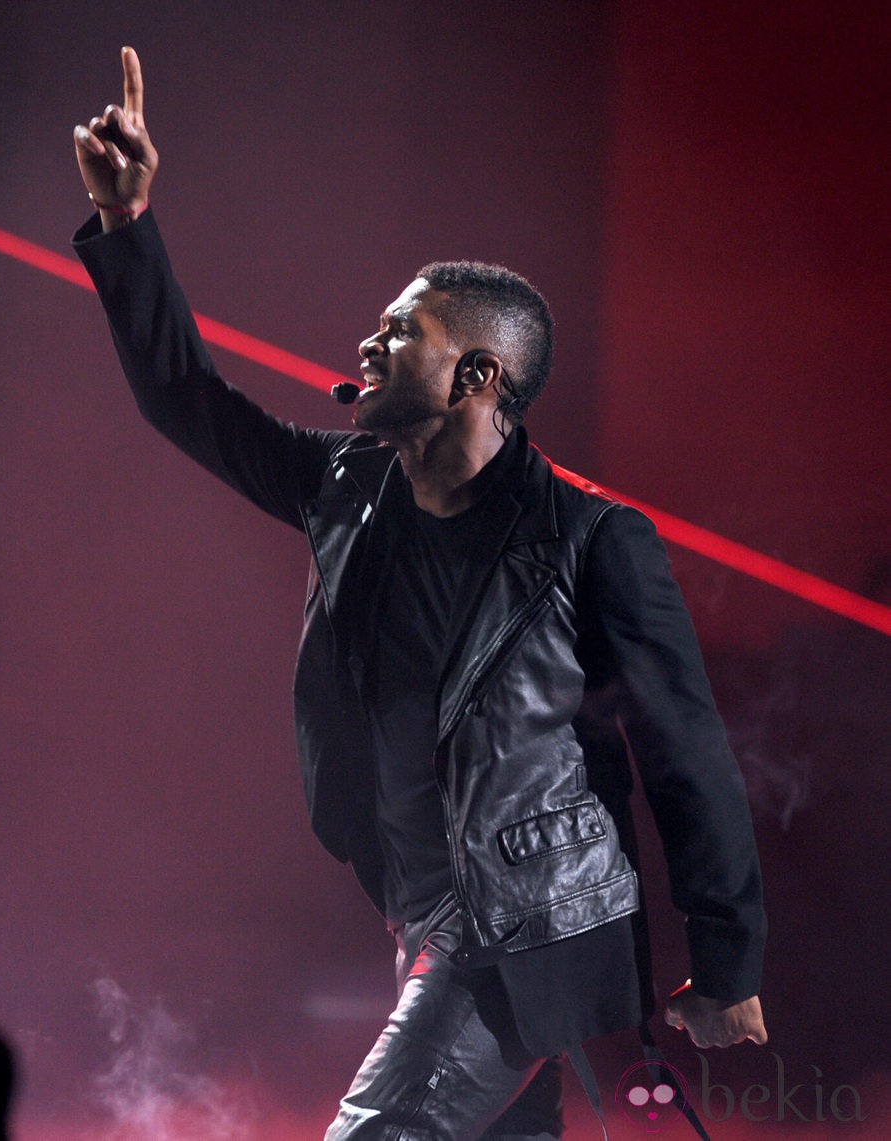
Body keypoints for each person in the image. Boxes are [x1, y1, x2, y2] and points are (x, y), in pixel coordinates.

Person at [72, 47, 767, 1139]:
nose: (367, 341)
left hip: (523, 924)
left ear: (474, 378)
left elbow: (684, 753)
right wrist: (129, 227)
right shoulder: (347, 487)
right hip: (417, 908)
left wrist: (723, 962)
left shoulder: (589, 540)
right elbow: (185, 401)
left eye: (399, 331)